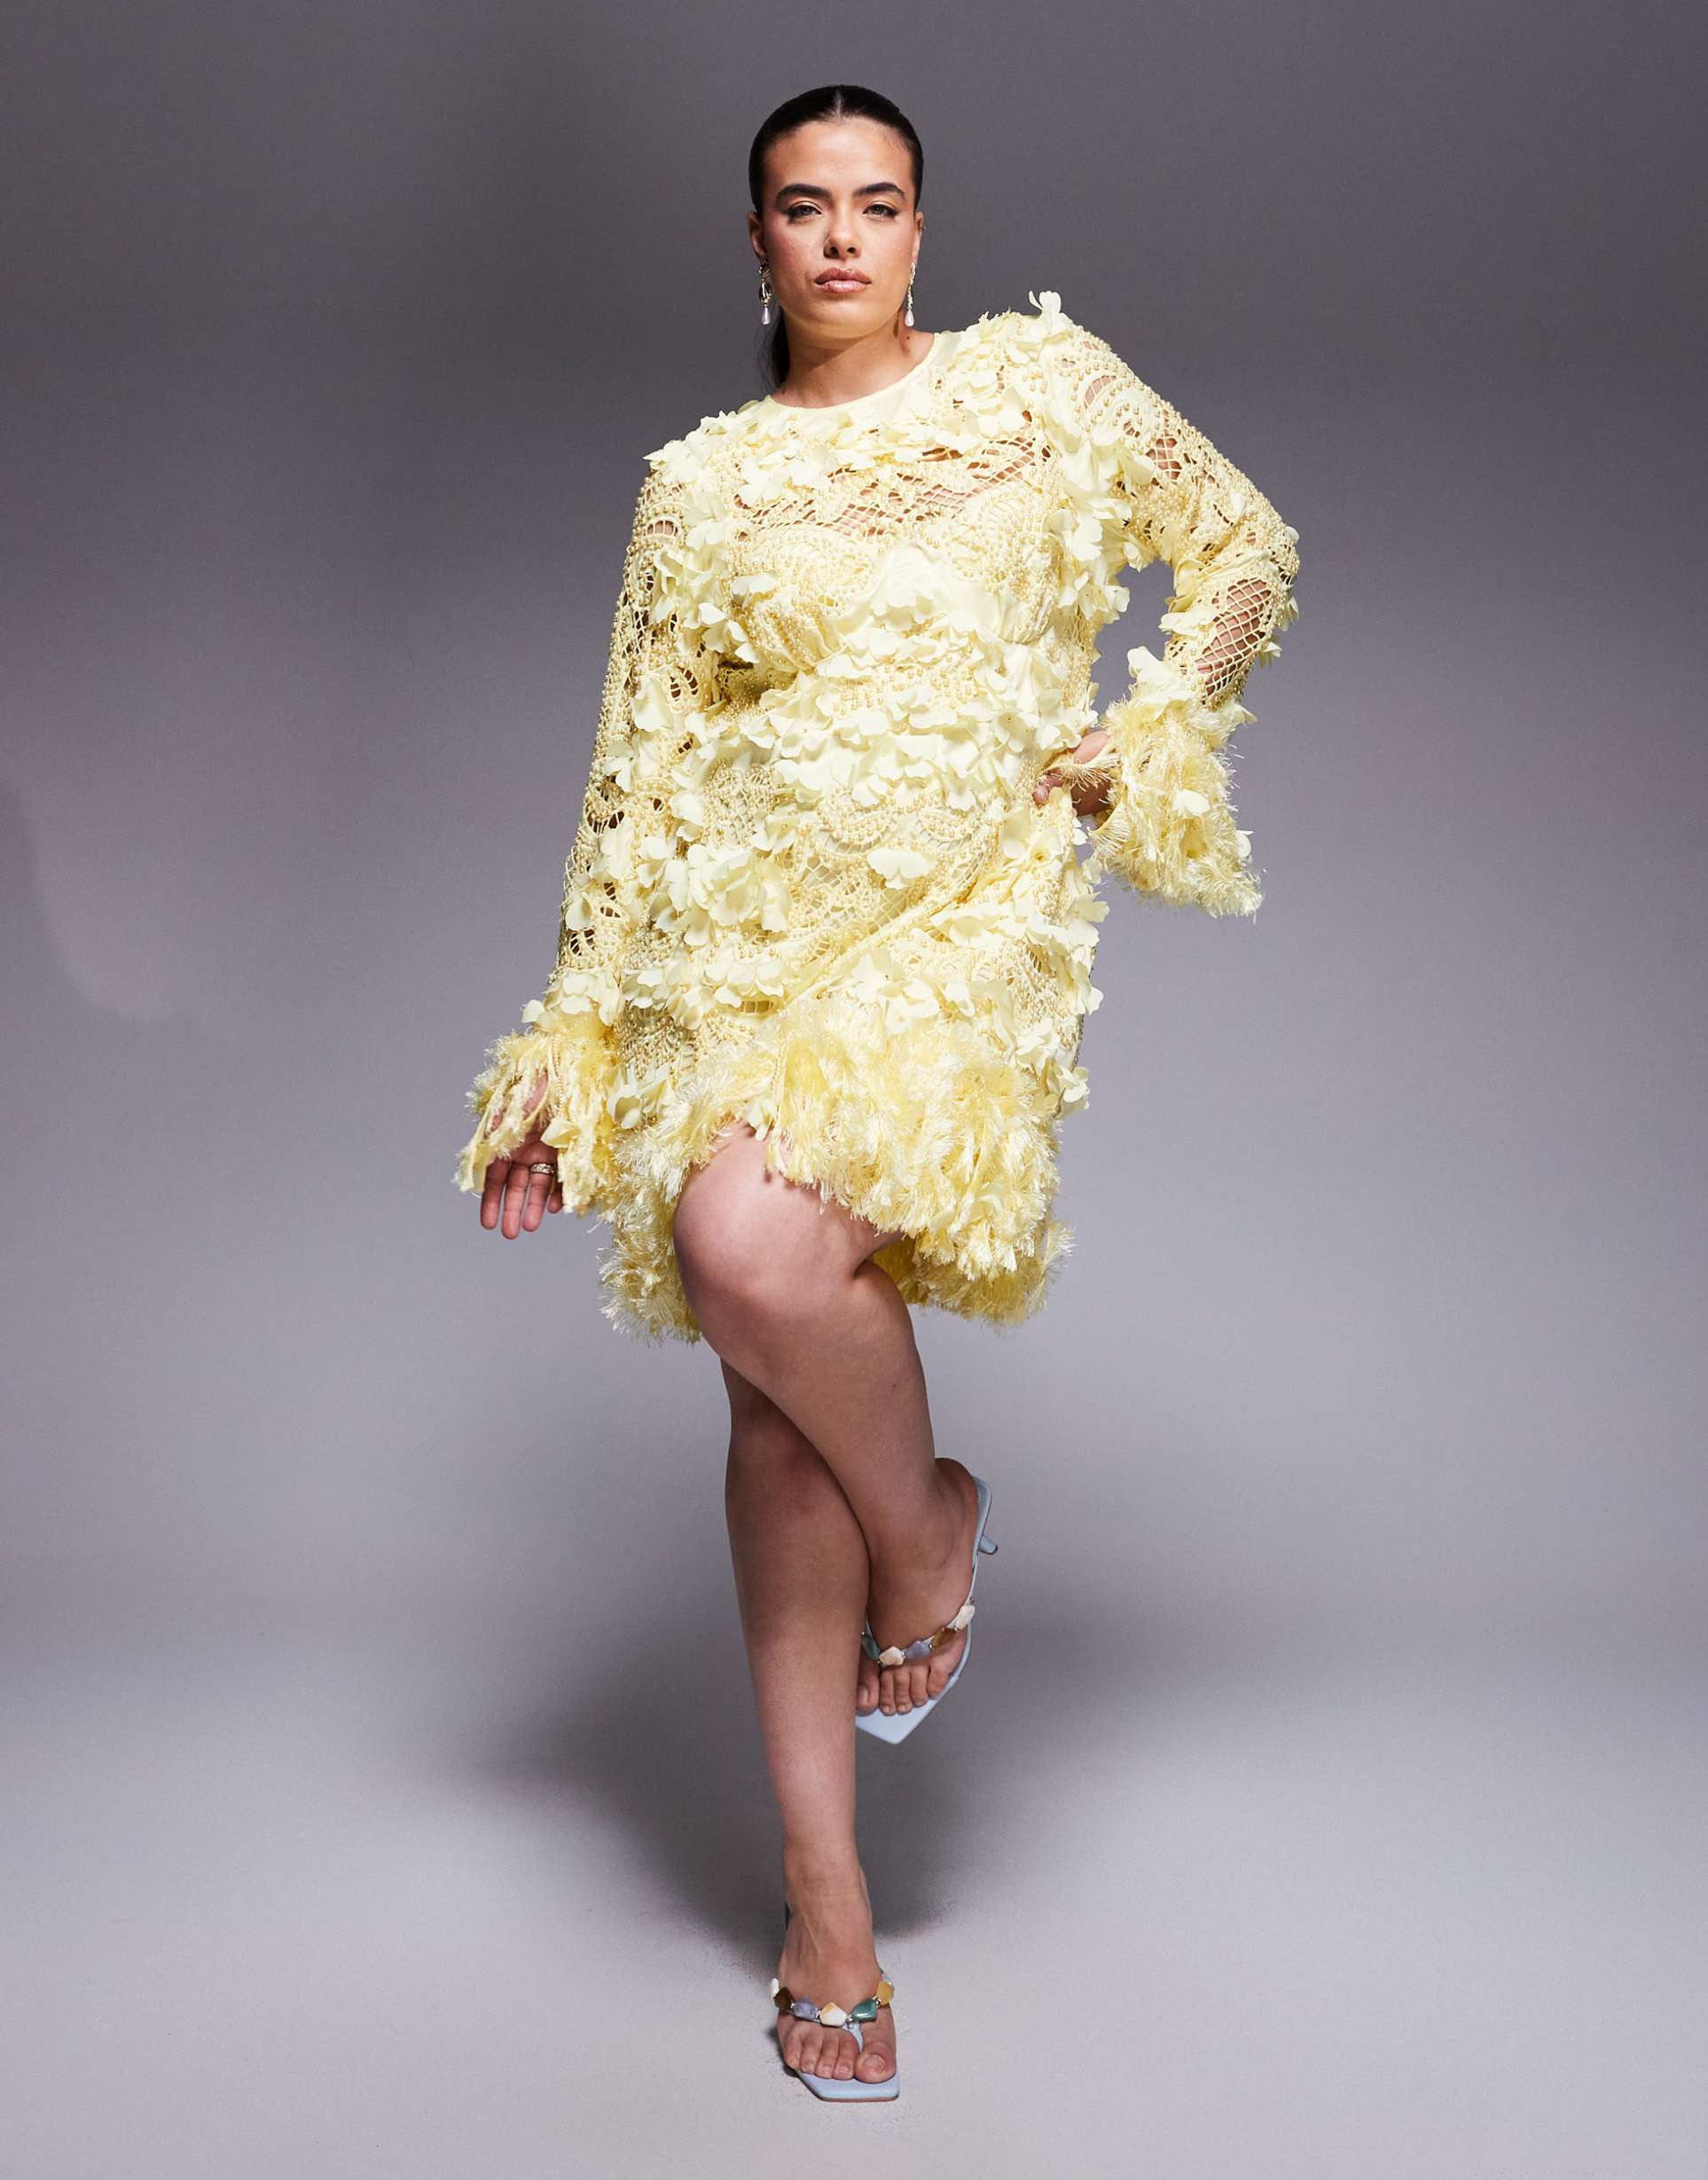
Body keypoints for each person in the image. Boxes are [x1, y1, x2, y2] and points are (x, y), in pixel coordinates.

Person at [454, 83, 1301, 2100]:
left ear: (924, 228)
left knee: (751, 1253)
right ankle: (825, 1909)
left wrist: (1146, 734)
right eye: (802, 205)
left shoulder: (1037, 389)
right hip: (737, 944)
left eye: (878, 202)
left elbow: (1245, 551)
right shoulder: (704, 490)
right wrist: (568, 1044)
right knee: (768, 1398)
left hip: (962, 920)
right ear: (752, 240)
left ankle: (928, 1529)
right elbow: (636, 782)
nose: (842, 237)